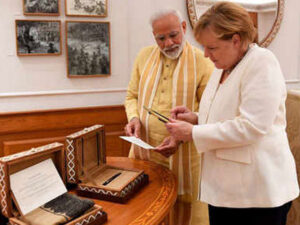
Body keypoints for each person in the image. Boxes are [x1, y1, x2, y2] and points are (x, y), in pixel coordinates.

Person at [156, 2, 299, 225]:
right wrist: (195, 117)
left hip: (257, 194)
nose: (205, 54)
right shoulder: (225, 65)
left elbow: (251, 127)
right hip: (225, 190)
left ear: (236, 39)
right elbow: (225, 113)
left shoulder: (262, 62)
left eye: (211, 48)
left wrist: (193, 132)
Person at [124, 9, 214, 225]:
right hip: (144, 151)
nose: (168, 43)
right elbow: (132, 96)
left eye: (173, 35)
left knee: (187, 212)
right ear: (154, 36)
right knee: (145, 206)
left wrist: (179, 138)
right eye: (161, 38)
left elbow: (211, 111)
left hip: (186, 155)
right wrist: (134, 118)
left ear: (184, 28)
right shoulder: (144, 56)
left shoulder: (203, 61)